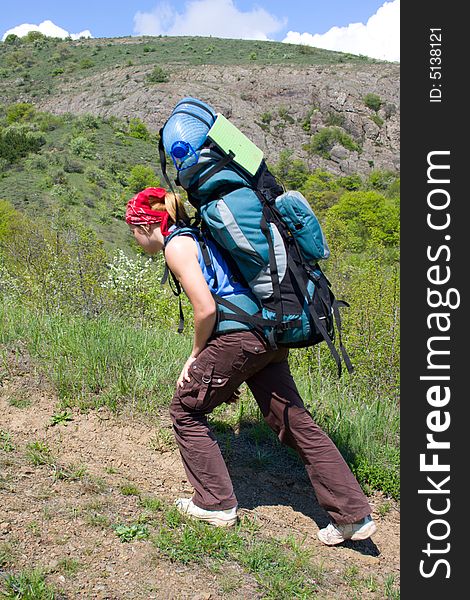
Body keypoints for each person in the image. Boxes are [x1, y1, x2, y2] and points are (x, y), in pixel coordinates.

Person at [125, 186, 377, 546]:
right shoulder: (200, 236)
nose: (134, 239)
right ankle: (352, 514)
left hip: (240, 338)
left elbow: (207, 309)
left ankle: (214, 504)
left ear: (147, 225)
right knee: (294, 421)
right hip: (268, 333)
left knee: (185, 408)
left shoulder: (177, 246)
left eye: (133, 231)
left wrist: (195, 355)